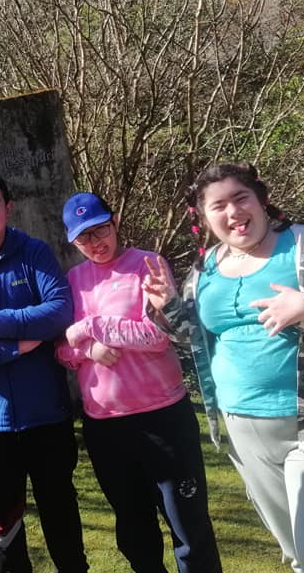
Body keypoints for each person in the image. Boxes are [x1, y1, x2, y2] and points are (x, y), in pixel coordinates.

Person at [144, 162, 304, 573]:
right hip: (243, 430)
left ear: (261, 200)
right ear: (204, 218)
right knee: (298, 555)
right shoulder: (205, 269)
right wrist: (167, 306)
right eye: (218, 205)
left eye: (241, 198)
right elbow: (195, 337)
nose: (233, 212)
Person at [55, 192, 223, 573]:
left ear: (114, 222)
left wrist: (93, 327)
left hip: (162, 419)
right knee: (135, 531)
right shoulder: (74, 281)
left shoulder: (147, 265)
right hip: (105, 427)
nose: (95, 243)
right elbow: (61, 349)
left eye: (100, 230)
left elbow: (156, 336)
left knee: (188, 527)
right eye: (83, 238)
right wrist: (89, 350)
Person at [0, 171, 89, 573]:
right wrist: (13, 346)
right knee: (1, 519)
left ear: (8, 208)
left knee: (60, 511)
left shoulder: (33, 252)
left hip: (46, 415)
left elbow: (60, 311)